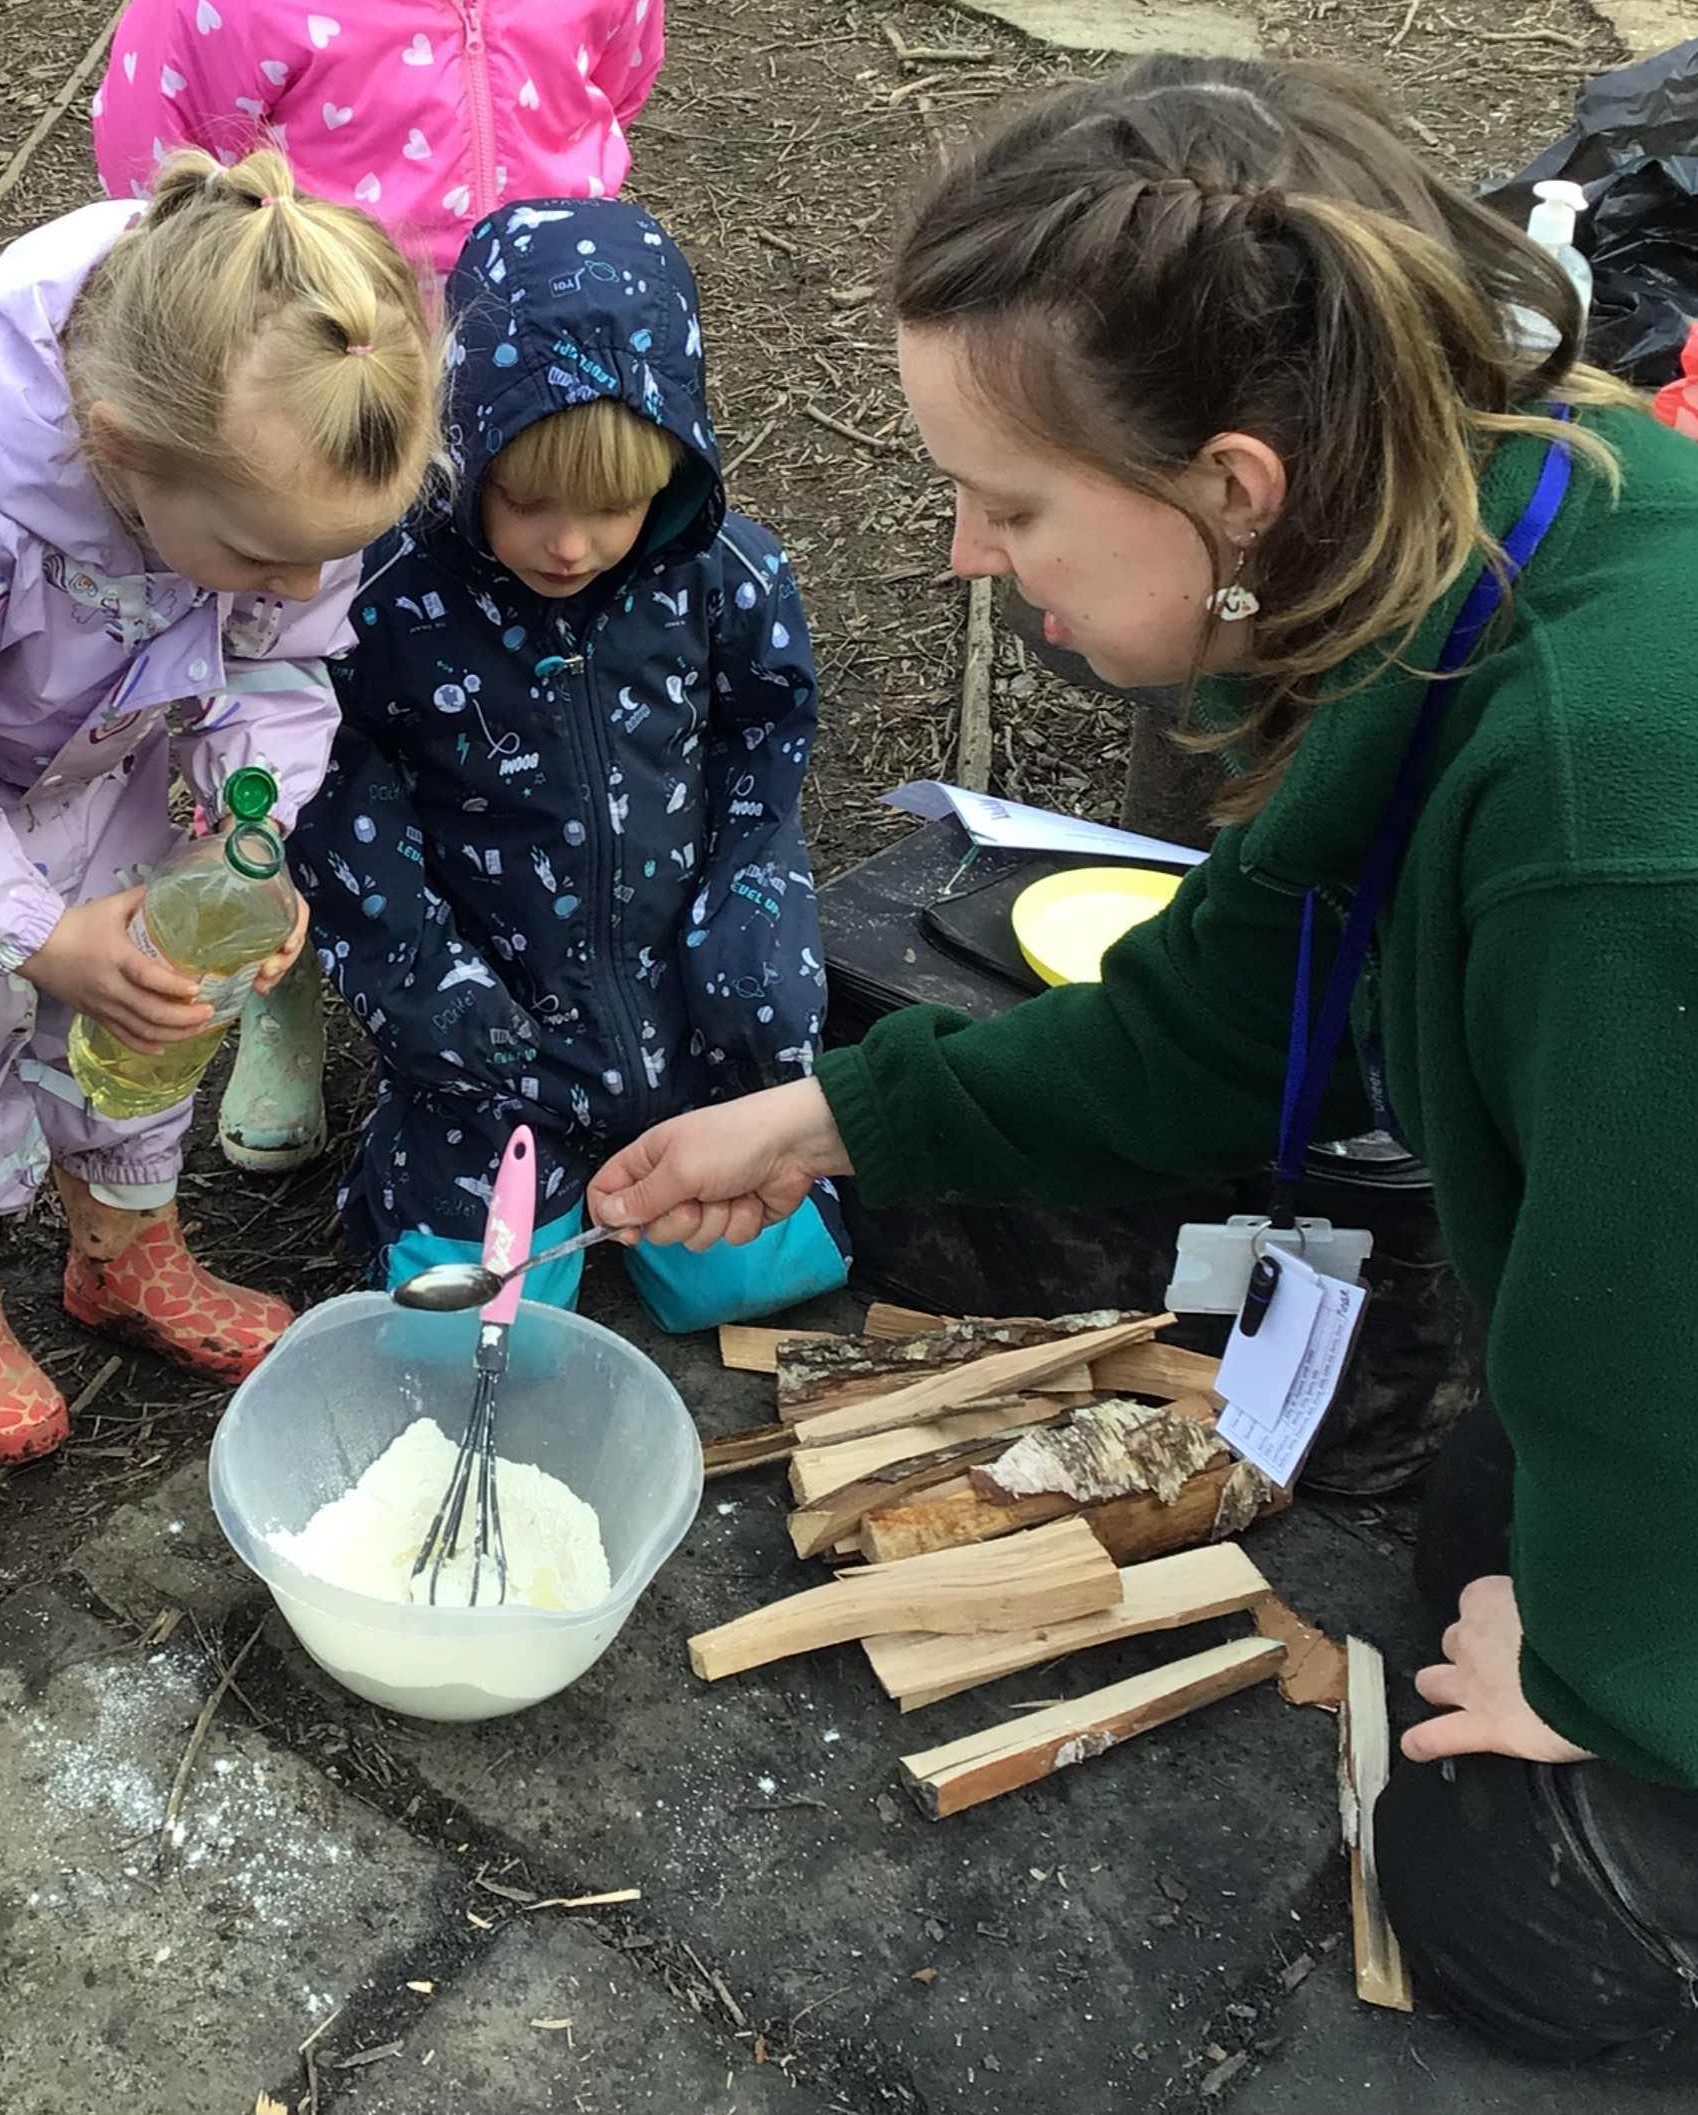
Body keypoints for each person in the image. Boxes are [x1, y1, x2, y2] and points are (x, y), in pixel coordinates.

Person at [589, 56, 1698, 2072]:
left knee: (1517, 1927)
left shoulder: (1604, 824)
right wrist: (834, 1110)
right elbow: (1225, 1019)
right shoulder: (1468, 546)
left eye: (1010, 504)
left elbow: (1667, 1319)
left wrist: (1627, 1669)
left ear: (1234, 492)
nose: (961, 555)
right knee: (1480, 1517)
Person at [0, 149, 442, 1464]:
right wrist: (37, 930)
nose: (298, 583)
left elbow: (282, 662)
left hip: (117, 707)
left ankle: (119, 1247)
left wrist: (241, 838)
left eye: (324, 555)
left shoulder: (265, 475)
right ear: (119, 458)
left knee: (155, 977)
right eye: (265, 558)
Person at [92, 0, 666, 1173]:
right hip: (321, 409)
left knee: (514, 681)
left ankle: (516, 941)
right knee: (305, 678)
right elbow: (158, 179)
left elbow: (617, 79)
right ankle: (280, 975)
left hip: (545, 388)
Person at [294, 197, 848, 1328]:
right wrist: (429, 988)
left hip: (688, 1019)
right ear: (465, 444)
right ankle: (455, 1167)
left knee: (758, 1282)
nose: (570, 544)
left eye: (616, 505)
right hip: (494, 1040)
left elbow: (764, 742)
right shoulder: (389, 596)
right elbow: (341, 787)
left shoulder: (723, 572)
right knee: (473, 1334)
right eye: (527, 498)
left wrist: (756, 911)